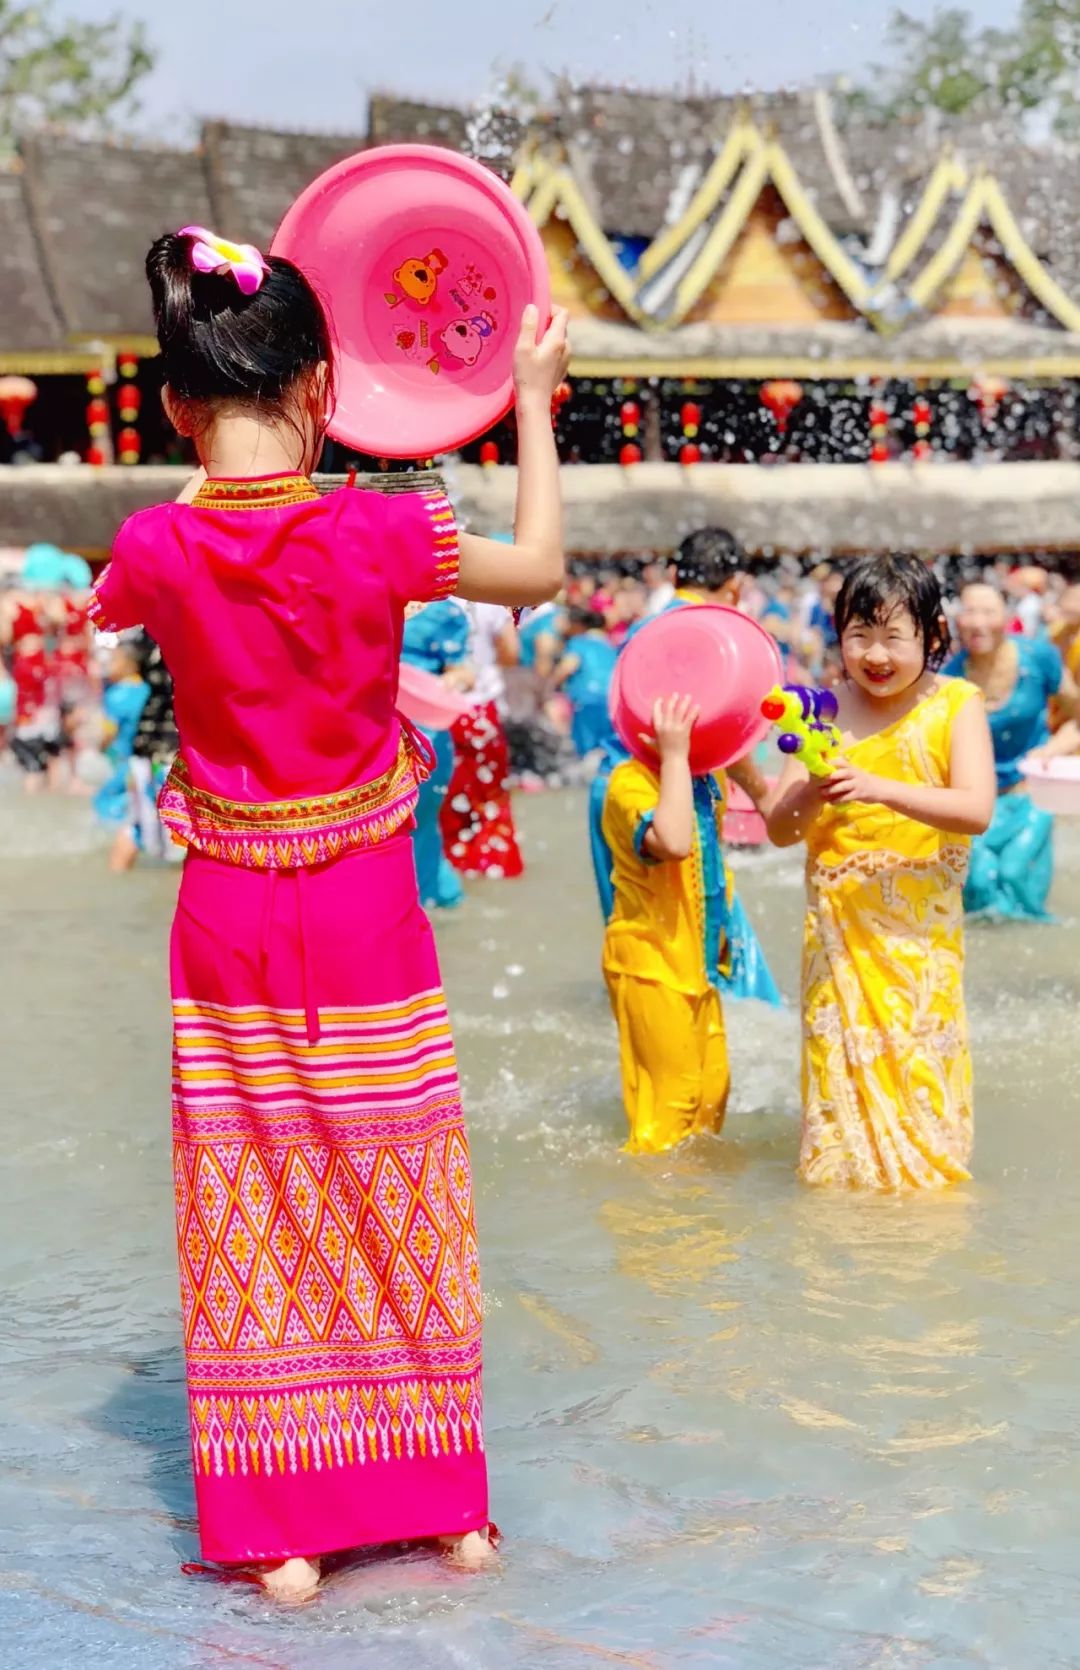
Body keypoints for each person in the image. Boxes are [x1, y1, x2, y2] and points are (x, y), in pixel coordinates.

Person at [89, 223, 569, 1597]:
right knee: (396, 1177)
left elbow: (156, 567)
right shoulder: (383, 523)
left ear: (181, 403)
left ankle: (285, 1533)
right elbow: (537, 570)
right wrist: (528, 400)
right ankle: (447, 1511)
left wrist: (214, 458)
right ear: (319, 389)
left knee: (256, 1199)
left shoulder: (153, 543)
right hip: (369, 906)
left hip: (231, 915)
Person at [765, 554, 995, 1191]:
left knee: (928, 1142)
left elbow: (975, 810)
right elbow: (781, 830)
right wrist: (814, 788)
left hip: (921, 954)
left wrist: (874, 786)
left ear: (931, 635)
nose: (876, 654)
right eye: (860, 634)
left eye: (895, 636)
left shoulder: (957, 704)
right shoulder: (820, 710)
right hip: (837, 954)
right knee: (837, 1145)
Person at [589, 527, 780, 1006]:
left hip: (614, 790)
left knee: (637, 923)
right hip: (672, 792)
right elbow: (722, 739)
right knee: (702, 934)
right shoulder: (712, 635)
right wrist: (762, 796)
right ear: (734, 585)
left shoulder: (646, 628)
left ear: (675, 574)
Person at [603, 694, 748, 1153]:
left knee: (710, 1099)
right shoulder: (629, 782)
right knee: (671, 1103)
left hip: (696, 964)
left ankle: (696, 1215)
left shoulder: (706, 777)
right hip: (649, 961)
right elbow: (673, 840)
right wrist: (674, 757)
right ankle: (652, 1218)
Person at [946, 582, 1077, 919]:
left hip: (1030, 795)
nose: (978, 622)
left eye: (988, 612)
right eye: (969, 611)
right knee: (978, 887)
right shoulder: (948, 680)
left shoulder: (1038, 658)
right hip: (978, 804)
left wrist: (1051, 750)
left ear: (1007, 618)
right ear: (957, 620)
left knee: (1017, 876)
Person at [440, 600, 524, 879]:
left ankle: (452, 869)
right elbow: (512, 654)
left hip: (438, 708)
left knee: (448, 796)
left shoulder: (429, 599)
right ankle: (496, 863)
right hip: (482, 710)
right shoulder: (492, 601)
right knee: (491, 796)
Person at [400, 598, 471, 909]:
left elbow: (464, 673)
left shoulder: (444, 612)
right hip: (367, 724)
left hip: (424, 726)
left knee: (419, 822)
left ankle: (424, 898)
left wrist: (445, 684)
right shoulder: (359, 594)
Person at [109, 633, 181, 871]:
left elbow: (121, 660)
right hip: (169, 749)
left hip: (148, 744)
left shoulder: (146, 635)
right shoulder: (187, 632)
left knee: (136, 826)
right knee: (180, 838)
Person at [92, 639, 150, 827]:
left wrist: (100, 748)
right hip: (146, 759)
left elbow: (110, 732)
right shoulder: (147, 690)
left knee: (103, 799)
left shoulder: (115, 695)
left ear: (129, 665)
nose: (108, 666)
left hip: (125, 761)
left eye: (113, 661)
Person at [553, 606, 618, 759]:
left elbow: (568, 667)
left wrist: (549, 685)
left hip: (586, 700)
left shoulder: (578, 642)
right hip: (610, 701)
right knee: (605, 752)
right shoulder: (609, 646)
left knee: (585, 753)